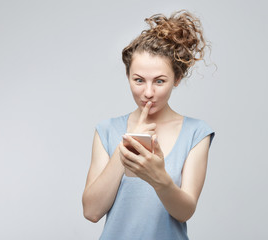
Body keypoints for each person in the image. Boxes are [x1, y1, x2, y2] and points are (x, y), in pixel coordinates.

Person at [82, 10, 215, 240]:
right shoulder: (106, 130)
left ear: (178, 78)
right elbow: (91, 211)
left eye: (160, 81)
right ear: (128, 76)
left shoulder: (196, 133)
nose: (148, 93)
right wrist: (128, 143)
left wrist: (160, 178)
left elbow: (185, 212)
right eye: (139, 80)